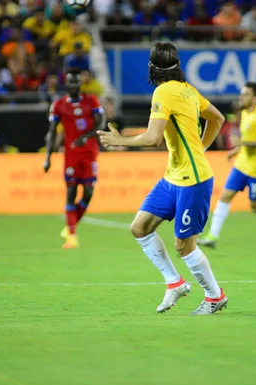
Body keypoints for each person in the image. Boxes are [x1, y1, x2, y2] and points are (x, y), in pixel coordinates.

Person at [97, 42, 228, 316]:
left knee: (184, 245)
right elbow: (217, 118)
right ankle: (175, 282)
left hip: (193, 180)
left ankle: (215, 296)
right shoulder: (188, 90)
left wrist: (121, 140)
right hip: (174, 176)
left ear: (152, 67)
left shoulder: (163, 92)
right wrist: (200, 148)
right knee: (140, 227)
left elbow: (154, 137)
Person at [198, 82, 256, 249]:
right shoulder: (245, 113)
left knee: (255, 207)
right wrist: (238, 149)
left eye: (245, 94)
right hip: (241, 165)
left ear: (255, 99)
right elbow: (249, 140)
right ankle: (212, 236)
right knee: (225, 196)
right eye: (241, 94)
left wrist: (242, 143)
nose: (241, 97)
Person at [44, 67, 104, 249]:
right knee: (71, 192)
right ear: (65, 83)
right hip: (70, 156)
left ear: (81, 83)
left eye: (76, 81)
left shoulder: (91, 100)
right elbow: (52, 133)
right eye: (70, 81)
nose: (73, 85)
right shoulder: (59, 105)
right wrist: (48, 157)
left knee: (88, 192)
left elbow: (100, 122)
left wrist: (86, 136)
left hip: (90, 153)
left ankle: (70, 226)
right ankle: (72, 236)